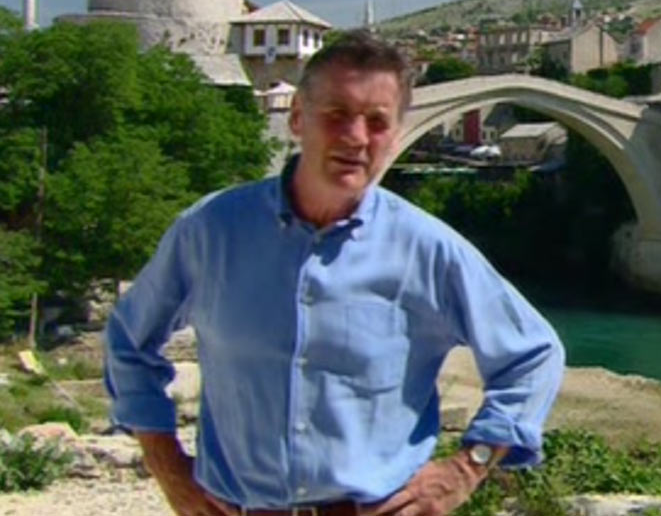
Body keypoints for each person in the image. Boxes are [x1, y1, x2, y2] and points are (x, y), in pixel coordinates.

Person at [104, 31, 565, 516]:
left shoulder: (427, 249)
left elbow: (533, 355)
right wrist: (167, 465)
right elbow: (128, 341)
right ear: (298, 118)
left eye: (377, 122)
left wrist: (468, 467)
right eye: (337, 114)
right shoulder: (211, 231)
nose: (356, 137)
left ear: (396, 132)